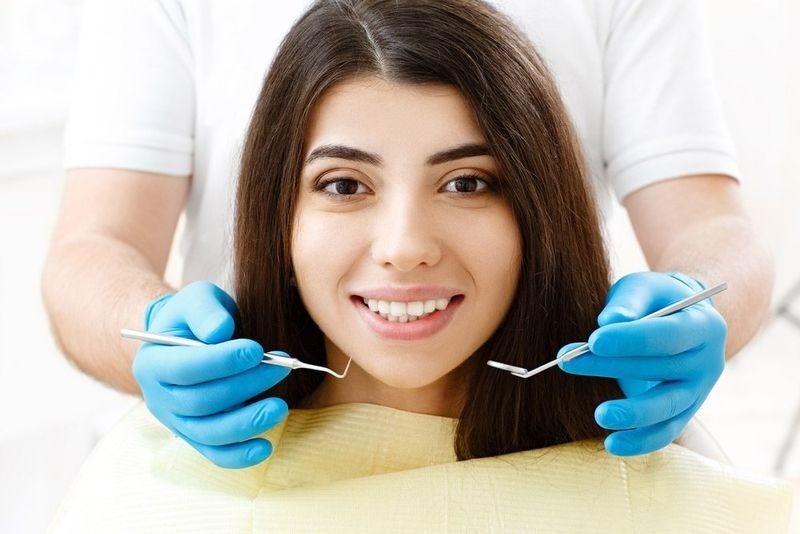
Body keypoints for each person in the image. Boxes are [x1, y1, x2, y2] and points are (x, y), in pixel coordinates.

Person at [47, 2, 792, 531]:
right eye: (343, 185)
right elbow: (95, 243)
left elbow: (711, 223)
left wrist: (701, 309)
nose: (404, 245)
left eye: (470, 182)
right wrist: (149, 336)